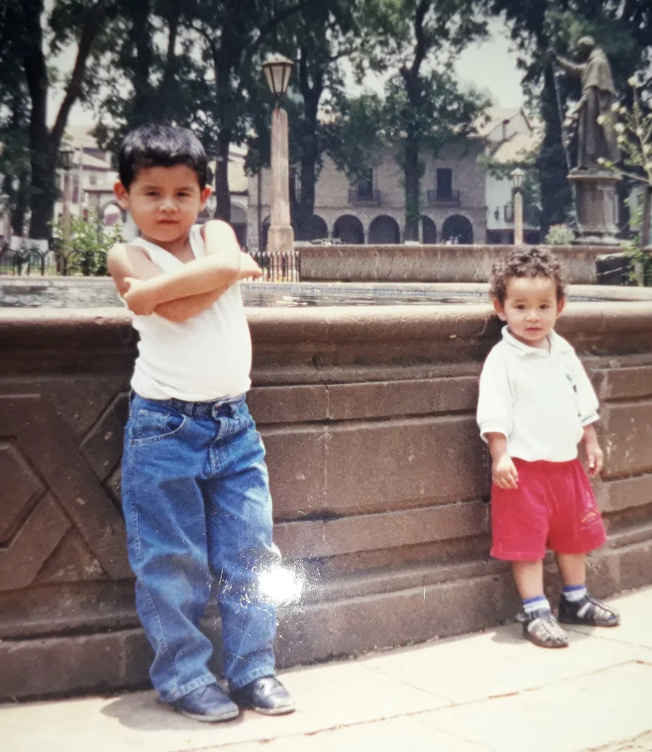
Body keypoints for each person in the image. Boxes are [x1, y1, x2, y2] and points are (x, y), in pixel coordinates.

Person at [107, 123, 295, 722]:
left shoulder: (215, 233)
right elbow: (183, 310)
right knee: (170, 561)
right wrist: (227, 270)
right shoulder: (127, 255)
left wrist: (155, 292)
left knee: (252, 553)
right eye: (152, 192)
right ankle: (185, 677)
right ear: (123, 194)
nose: (168, 205)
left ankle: (252, 669)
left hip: (234, 424)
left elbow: (176, 298)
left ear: (204, 196)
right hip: (163, 427)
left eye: (182, 193)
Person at [476, 247, 620, 649]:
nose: (533, 317)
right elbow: (495, 412)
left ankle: (575, 599)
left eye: (543, 306)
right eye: (520, 306)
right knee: (527, 544)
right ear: (500, 308)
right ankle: (535, 610)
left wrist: (590, 440)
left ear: (560, 306)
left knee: (573, 536)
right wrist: (500, 455)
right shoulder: (503, 358)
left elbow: (581, 397)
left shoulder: (562, 349)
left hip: (566, 466)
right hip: (523, 471)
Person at [552, 37, 620, 171]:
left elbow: (591, 87)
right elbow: (575, 69)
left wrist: (578, 105)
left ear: (586, 48)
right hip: (591, 106)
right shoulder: (591, 63)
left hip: (597, 108)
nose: (579, 52)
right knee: (586, 134)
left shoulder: (597, 62)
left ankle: (595, 163)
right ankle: (586, 163)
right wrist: (557, 60)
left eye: (580, 49)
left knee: (593, 135)